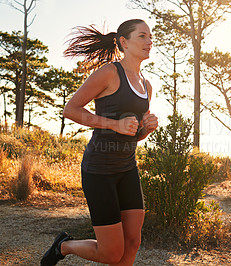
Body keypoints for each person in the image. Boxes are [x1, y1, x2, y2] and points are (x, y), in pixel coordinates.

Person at [40, 19, 158, 266]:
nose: (149, 41)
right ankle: (63, 246)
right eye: (142, 36)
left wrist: (145, 129)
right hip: (99, 170)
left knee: (133, 242)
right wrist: (115, 124)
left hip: (127, 168)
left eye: (150, 36)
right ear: (124, 42)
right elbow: (70, 110)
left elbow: (133, 133)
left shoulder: (146, 85)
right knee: (111, 253)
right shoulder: (109, 73)